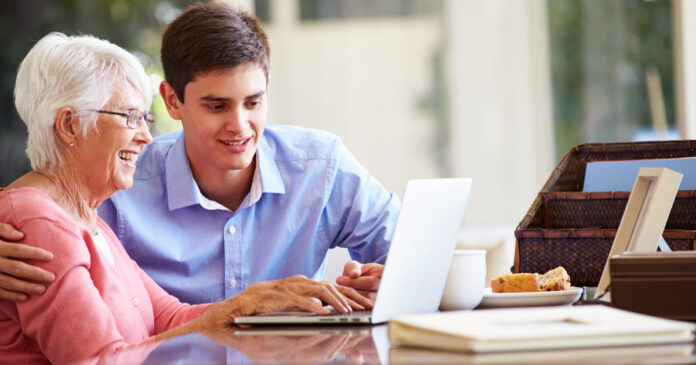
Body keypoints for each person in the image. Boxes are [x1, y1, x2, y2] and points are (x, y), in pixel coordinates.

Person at [0, 32, 370, 364]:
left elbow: (169, 316)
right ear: (69, 125)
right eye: (130, 117)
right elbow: (100, 361)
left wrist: (250, 303)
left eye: (145, 117)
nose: (146, 136)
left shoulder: (87, 217)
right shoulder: (40, 222)